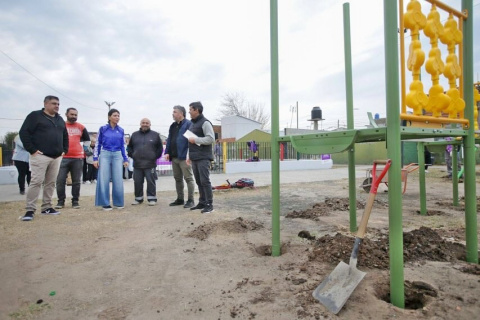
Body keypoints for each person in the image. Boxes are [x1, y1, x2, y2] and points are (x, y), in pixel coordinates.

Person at [19, 95, 69, 221]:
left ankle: (47, 207)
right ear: (45, 104)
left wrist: (64, 150)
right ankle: (30, 210)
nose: (57, 106)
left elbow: (65, 135)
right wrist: (32, 149)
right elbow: (24, 132)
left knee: (51, 183)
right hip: (40, 156)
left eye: (58, 104)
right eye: (54, 103)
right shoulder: (35, 116)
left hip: (56, 156)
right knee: (36, 182)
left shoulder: (60, 119)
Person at [93, 108, 129, 210]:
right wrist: (95, 158)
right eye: (114, 115)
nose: (117, 117)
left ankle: (118, 202)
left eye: (118, 116)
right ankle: (105, 202)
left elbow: (123, 145)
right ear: (109, 117)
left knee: (118, 178)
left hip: (117, 154)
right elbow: (97, 144)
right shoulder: (103, 129)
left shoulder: (121, 130)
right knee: (104, 179)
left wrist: (125, 159)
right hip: (105, 153)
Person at [55, 108, 90, 209]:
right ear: (66, 114)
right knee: (60, 181)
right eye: (72, 114)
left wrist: (86, 150)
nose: (74, 116)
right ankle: (60, 201)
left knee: (76, 181)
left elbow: (87, 140)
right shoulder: (61, 125)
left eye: (75, 115)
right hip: (62, 157)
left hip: (77, 158)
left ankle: (75, 201)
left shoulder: (81, 127)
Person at [164, 105, 195, 208]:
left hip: (184, 157)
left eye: (175, 112)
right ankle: (180, 199)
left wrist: (189, 155)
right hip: (174, 157)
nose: (173, 114)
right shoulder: (172, 126)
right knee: (177, 179)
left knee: (188, 178)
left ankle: (191, 200)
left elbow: (192, 141)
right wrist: (167, 152)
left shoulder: (188, 124)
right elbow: (169, 139)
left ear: (181, 113)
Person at [186, 101, 215, 213]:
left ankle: (209, 204)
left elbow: (210, 139)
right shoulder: (192, 124)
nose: (189, 112)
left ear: (196, 110)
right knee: (198, 181)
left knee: (205, 181)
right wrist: (189, 156)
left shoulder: (205, 123)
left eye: (190, 109)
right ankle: (202, 202)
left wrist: (196, 140)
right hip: (195, 157)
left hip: (203, 157)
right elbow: (190, 141)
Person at [127, 118, 163, 206]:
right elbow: (129, 147)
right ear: (140, 124)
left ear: (150, 124)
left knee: (151, 181)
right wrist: (133, 155)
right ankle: (138, 198)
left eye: (147, 123)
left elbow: (160, 148)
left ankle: (152, 198)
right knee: (137, 181)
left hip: (150, 164)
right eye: (143, 123)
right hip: (137, 164)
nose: (145, 124)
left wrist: (154, 156)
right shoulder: (134, 135)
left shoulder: (155, 135)